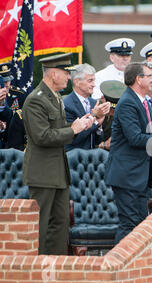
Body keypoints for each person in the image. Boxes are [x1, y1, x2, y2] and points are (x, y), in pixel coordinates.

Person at [22, 53, 93, 255]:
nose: (69, 77)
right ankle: (39, 272)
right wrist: (74, 129)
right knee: (41, 226)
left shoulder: (55, 98)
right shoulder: (36, 100)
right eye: (65, 73)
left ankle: (56, 270)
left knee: (60, 225)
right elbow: (42, 136)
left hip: (58, 174)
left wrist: (85, 121)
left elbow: (59, 128)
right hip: (43, 174)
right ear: (53, 74)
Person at [105, 61, 152, 245]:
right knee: (129, 225)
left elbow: (145, 131)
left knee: (139, 225)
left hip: (138, 176)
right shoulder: (128, 102)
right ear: (138, 79)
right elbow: (134, 138)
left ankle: (133, 270)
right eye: (149, 76)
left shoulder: (140, 101)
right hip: (127, 175)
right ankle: (118, 269)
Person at [63, 63, 110, 151]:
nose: (94, 84)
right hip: (74, 158)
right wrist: (95, 120)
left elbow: (97, 141)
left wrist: (99, 125)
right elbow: (74, 138)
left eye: (94, 80)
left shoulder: (94, 103)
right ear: (77, 82)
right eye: (90, 81)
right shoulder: (66, 104)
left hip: (93, 158)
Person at [97, 80, 127, 151]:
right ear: (103, 99)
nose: (113, 112)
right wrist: (102, 145)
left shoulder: (124, 111)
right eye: (110, 109)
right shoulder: (93, 109)